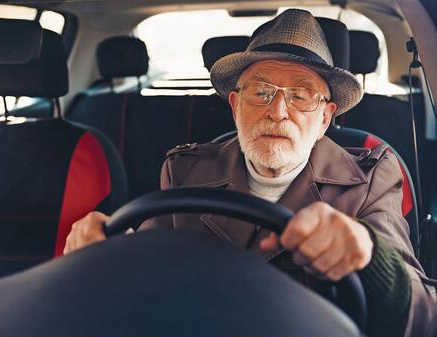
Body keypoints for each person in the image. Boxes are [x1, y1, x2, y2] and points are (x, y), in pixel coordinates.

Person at [63, 9, 436, 337]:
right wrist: (106, 252)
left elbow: (423, 318)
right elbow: (150, 273)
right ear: (236, 105)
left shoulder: (373, 178)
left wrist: (370, 257)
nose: (277, 111)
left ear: (325, 117)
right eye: (260, 91)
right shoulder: (183, 171)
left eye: (301, 95)